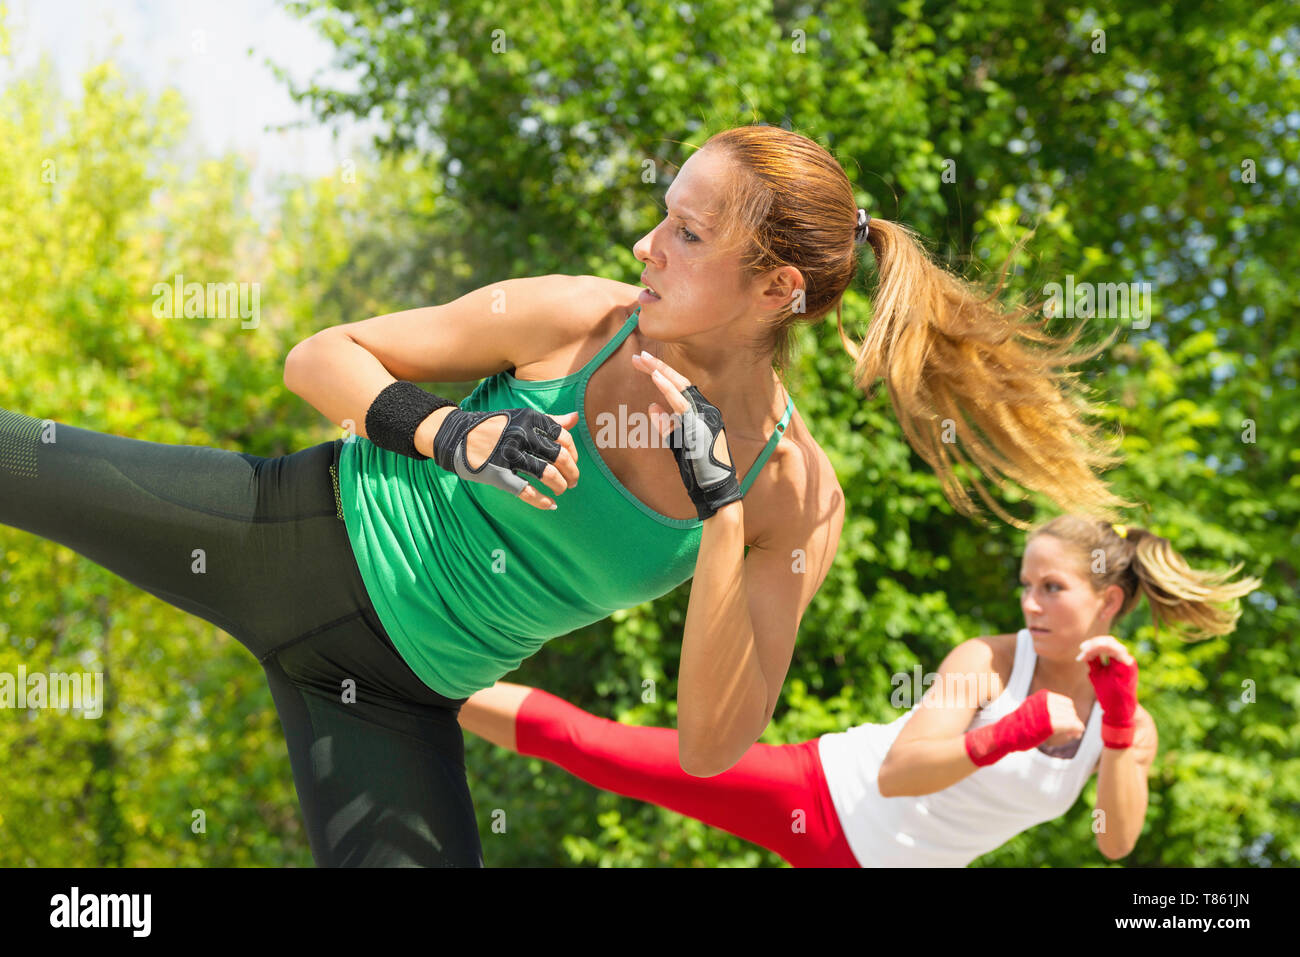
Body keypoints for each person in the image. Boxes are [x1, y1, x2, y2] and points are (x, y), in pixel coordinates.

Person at [2, 125, 1125, 867]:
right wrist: (452, 432)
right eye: (663, 213)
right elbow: (319, 354)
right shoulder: (580, 319)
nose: (648, 242)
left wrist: (722, 513)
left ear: (776, 287)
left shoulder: (796, 497)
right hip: (282, 533)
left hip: (391, 701)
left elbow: (709, 746)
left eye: (686, 233)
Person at [458, 516, 1259, 866]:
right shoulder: (989, 658)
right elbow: (898, 771)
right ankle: (429, 683)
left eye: (1051, 587)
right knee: (601, 749)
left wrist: (1117, 726)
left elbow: (1116, 840)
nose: (1029, 602)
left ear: (1108, 602)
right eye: (1025, 583)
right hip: (823, 794)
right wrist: (1006, 731)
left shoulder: (1128, 720)